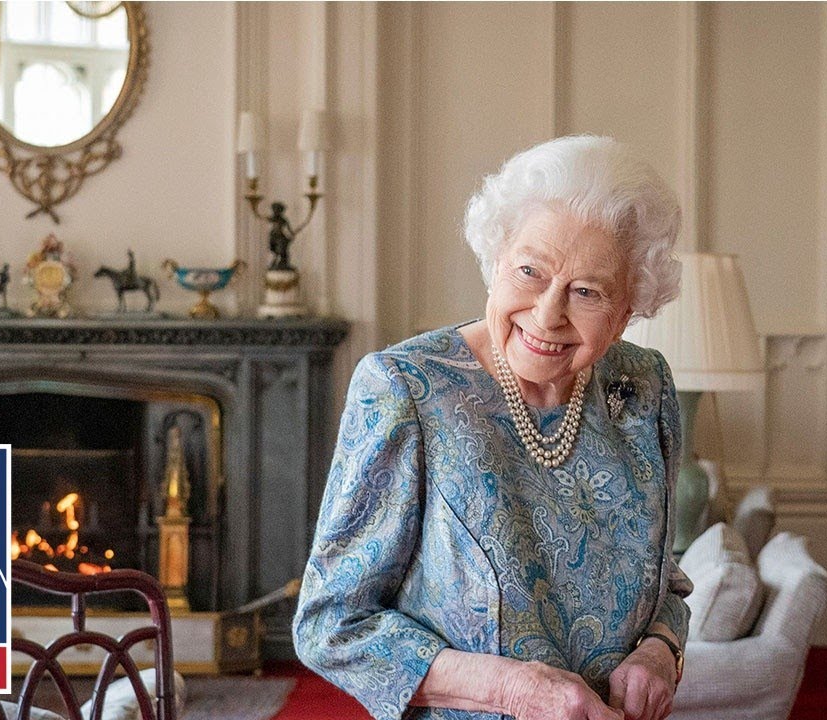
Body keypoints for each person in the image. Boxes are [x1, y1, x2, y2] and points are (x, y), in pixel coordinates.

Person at [294, 135, 692, 720]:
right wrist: (512, 690)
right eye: (530, 271)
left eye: (587, 292)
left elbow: (666, 577)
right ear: (496, 260)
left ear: (630, 307)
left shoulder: (643, 387)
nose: (548, 313)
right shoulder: (404, 390)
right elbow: (331, 625)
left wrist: (661, 650)